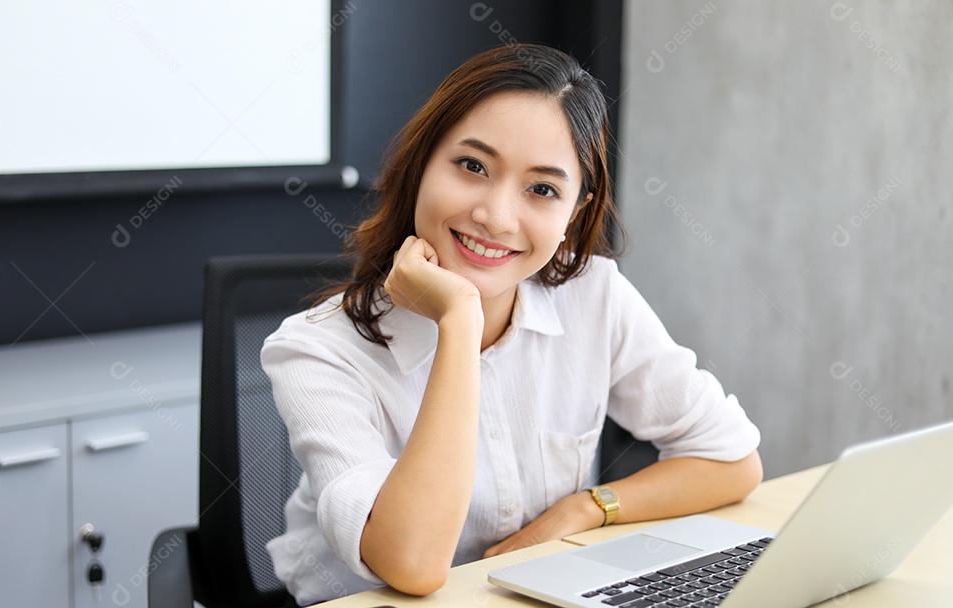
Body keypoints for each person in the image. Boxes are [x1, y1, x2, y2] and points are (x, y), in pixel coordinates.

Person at [262, 43, 762, 606]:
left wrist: (587, 508)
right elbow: (412, 564)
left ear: (574, 211)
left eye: (542, 189)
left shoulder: (593, 296)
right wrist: (457, 321)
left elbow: (732, 461)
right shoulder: (316, 350)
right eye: (472, 166)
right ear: (421, 163)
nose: (496, 217)